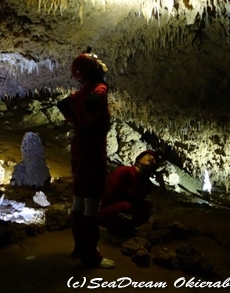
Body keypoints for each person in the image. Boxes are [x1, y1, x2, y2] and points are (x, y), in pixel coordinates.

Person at [57, 48, 114, 269]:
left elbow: (63, 104)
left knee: (79, 199)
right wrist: (93, 114)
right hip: (92, 148)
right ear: (93, 69)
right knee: (92, 202)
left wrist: (77, 122)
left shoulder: (80, 92)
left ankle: (80, 246)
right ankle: (91, 256)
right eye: (97, 62)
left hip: (79, 145)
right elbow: (96, 97)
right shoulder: (99, 87)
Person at [99, 150, 160, 238]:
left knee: (149, 207)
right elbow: (108, 196)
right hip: (108, 211)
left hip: (128, 211)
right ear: (138, 159)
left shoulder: (147, 184)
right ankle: (113, 231)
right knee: (126, 207)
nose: (151, 158)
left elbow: (139, 202)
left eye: (154, 159)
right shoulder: (123, 171)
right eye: (148, 155)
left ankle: (126, 229)